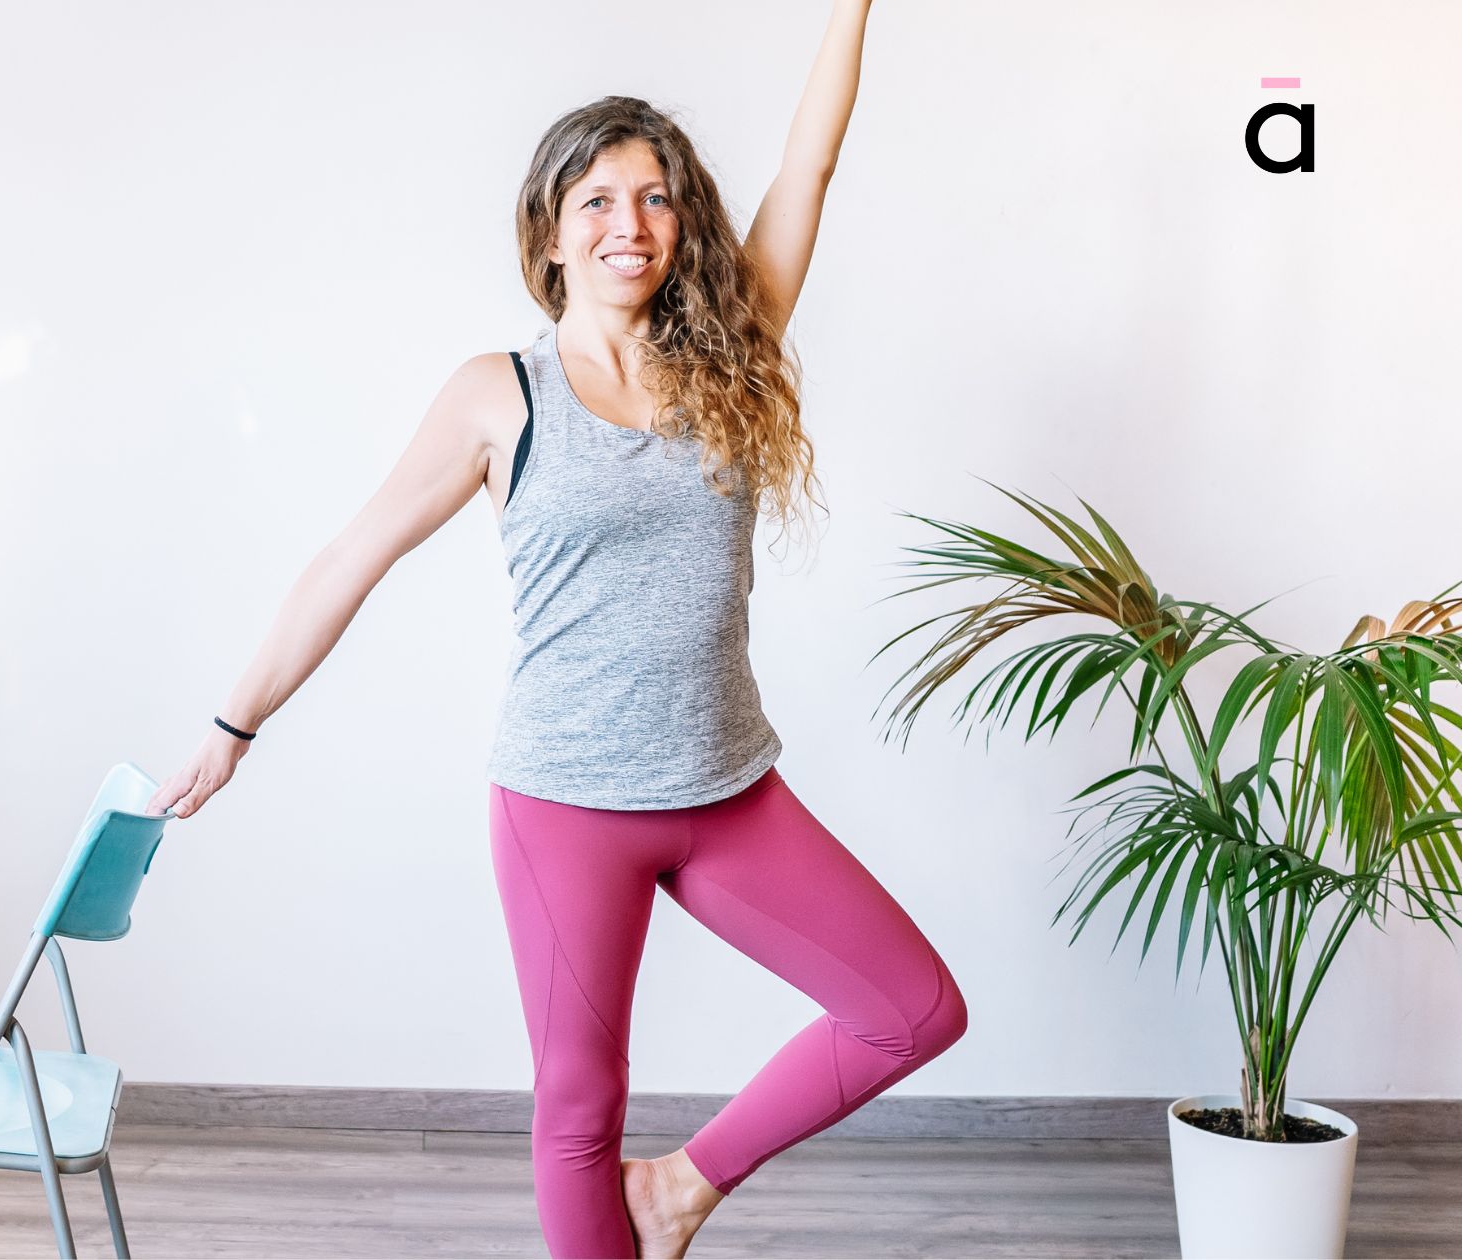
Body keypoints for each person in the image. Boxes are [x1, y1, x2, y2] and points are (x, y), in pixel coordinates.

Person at [150, 4, 966, 1255]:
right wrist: (233, 721)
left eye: (651, 198)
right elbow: (350, 555)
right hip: (565, 804)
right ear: (547, 233)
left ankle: (680, 1187)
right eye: (593, 199)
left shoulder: (730, 355)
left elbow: (811, 162)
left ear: (679, 224)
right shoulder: (500, 393)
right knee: (578, 1110)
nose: (625, 225)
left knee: (911, 1008)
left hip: (724, 791)